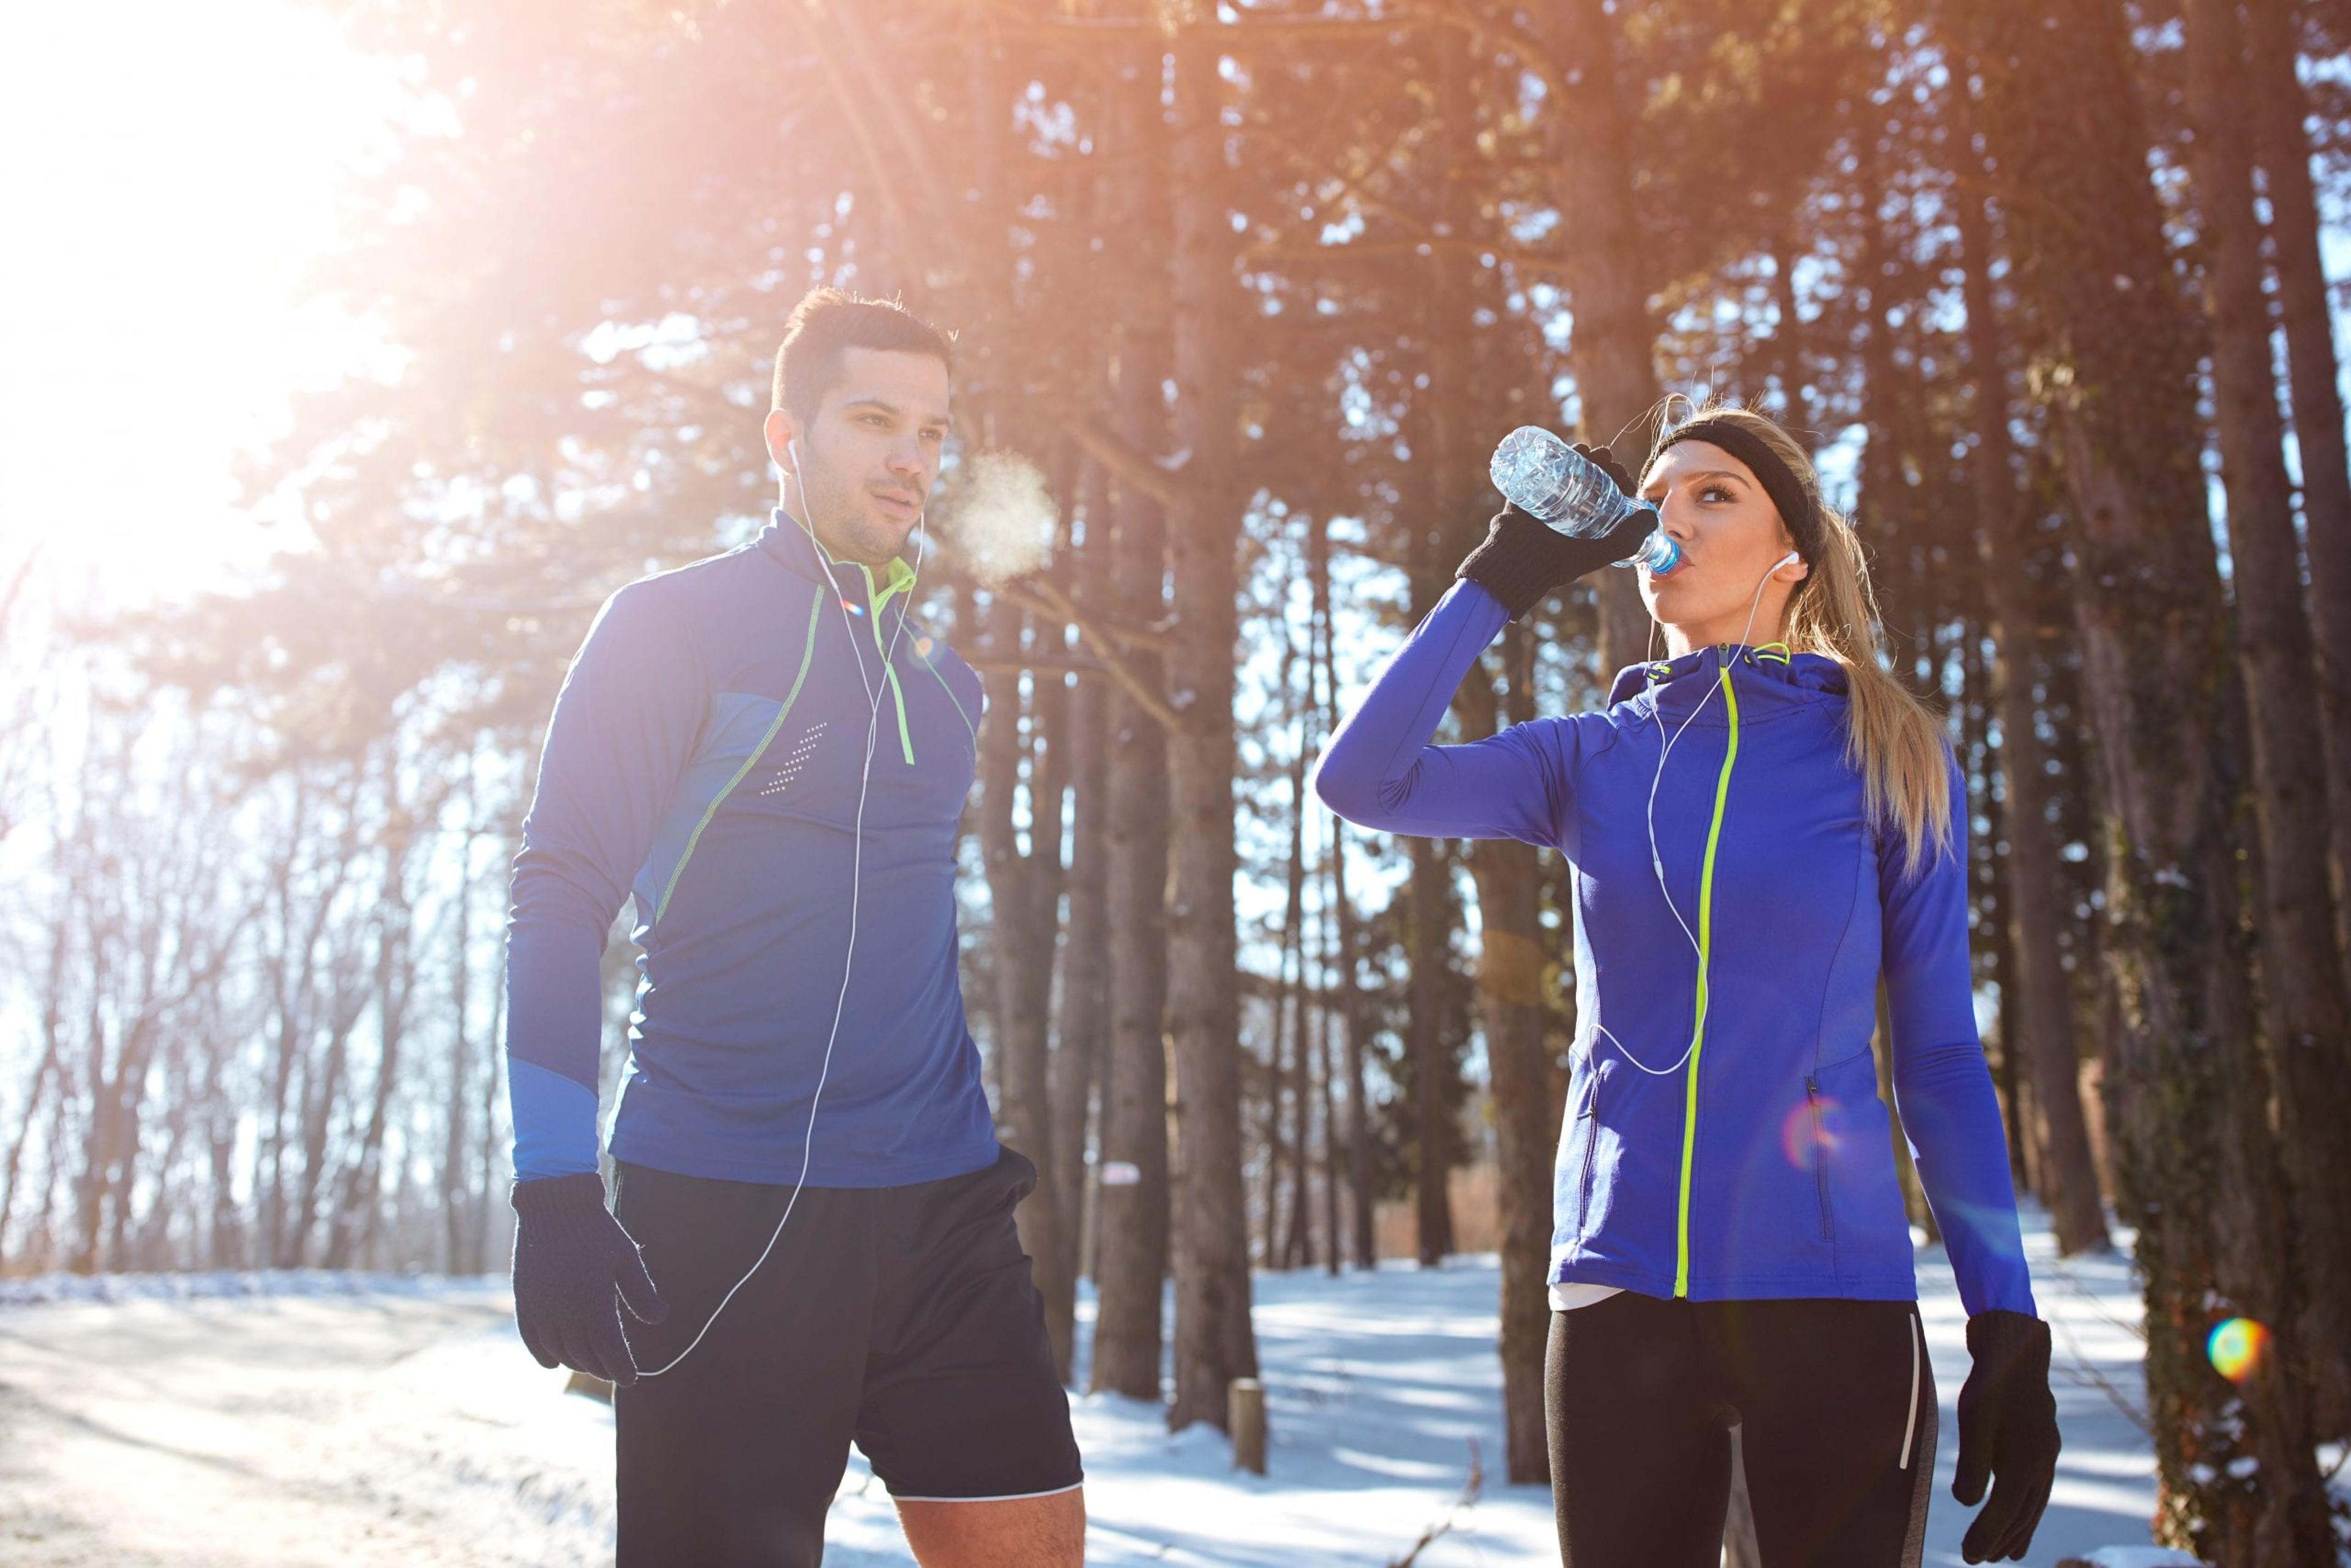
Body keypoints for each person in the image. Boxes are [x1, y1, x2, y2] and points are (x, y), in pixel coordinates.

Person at [1313, 403, 2060, 1567]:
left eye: (1716, 493)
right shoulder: (1588, 755)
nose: (1674, 515)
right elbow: (1365, 778)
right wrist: (1500, 577)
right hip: (1618, 1306)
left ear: (1793, 554)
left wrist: (2005, 1314)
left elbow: (1942, 1058)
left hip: (1833, 1303)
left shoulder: (1886, 750)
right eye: (1660, 496)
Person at [501, 288, 1086, 1567]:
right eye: (874, 419)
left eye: (933, 432)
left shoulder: (947, 683)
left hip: (943, 1208)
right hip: (725, 1209)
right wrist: (551, 1194)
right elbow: (559, 896)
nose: (911, 460)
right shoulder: (673, 628)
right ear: (786, 435)